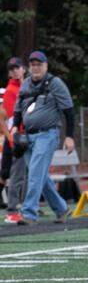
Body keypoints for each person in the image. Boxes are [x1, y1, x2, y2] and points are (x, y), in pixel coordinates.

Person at [11, 51, 75, 225]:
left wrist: (69, 136)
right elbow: (18, 108)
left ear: (46, 65)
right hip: (28, 137)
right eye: (33, 64)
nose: (36, 67)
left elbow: (69, 110)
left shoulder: (55, 83)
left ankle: (29, 213)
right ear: (29, 67)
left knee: (35, 174)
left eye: (39, 64)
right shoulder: (25, 84)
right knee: (38, 174)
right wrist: (16, 126)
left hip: (47, 134)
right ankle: (62, 209)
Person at [3, 57, 26, 224]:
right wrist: (12, 139)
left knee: (29, 174)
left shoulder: (28, 85)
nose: (14, 71)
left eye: (17, 68)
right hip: (19, 137)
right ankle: (11, 210)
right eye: (12, 69)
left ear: (23, 69)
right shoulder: (11, 89)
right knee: (17, 175)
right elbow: (11, 117)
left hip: (29, 135)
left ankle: (26, 207)